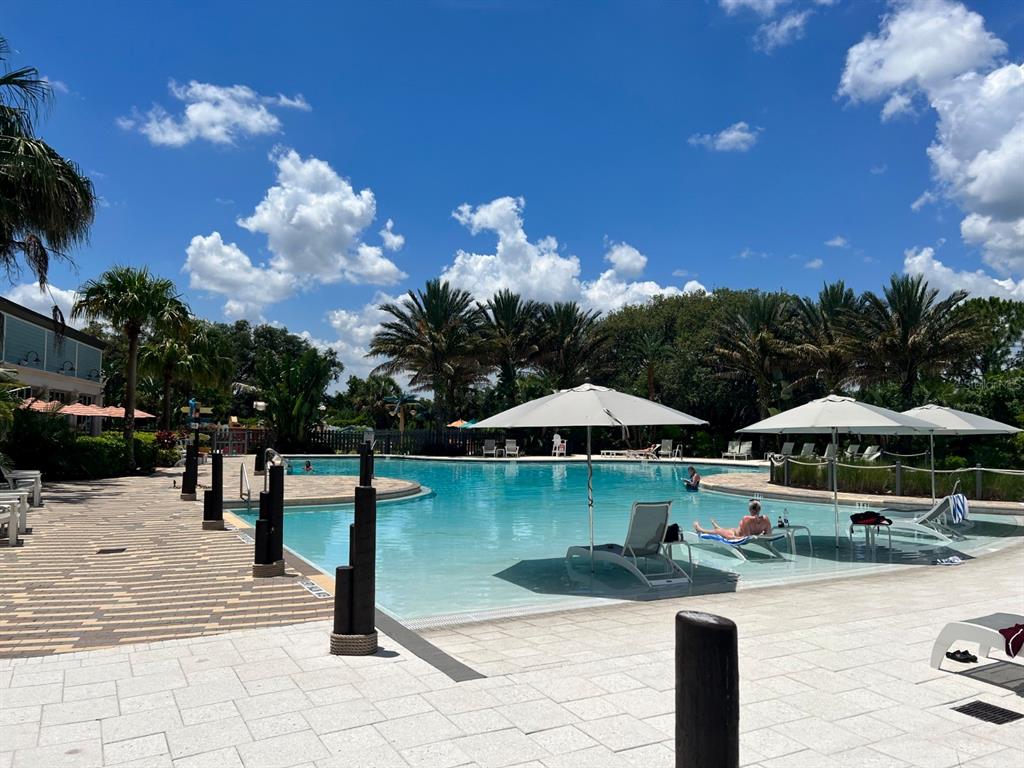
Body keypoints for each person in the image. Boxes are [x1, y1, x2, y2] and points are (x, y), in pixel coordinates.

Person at [693, 499, 771, 539]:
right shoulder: (766, 519)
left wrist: (732, 537)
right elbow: (769, 535)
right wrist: (759, 536)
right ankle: (717, 526)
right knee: (728, 529)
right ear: (760, 509)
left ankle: (699, 529)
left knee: (718, 532)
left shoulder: (747, 519)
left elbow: (746, 538)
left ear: (750, 510)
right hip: (735, 531)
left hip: (734, 535)